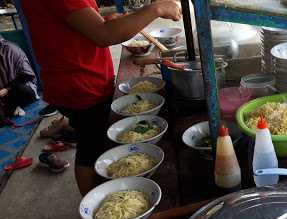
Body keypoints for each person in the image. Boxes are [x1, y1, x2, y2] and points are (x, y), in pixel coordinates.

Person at [20, 0, 182, 196]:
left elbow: (72, 25)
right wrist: (156, 8)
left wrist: (105, 21)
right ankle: (97, 210)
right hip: (80, 84)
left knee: (90, 141)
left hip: (71, 79)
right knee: (91, 148)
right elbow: (104, 34)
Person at [0, 35, 38, 125]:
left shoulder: (11, 49)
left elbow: (27, 75)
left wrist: (7, 89)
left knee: (19, 89)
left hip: (21, 89)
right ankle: (11, 109)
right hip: (5, 96)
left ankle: (11, 109)